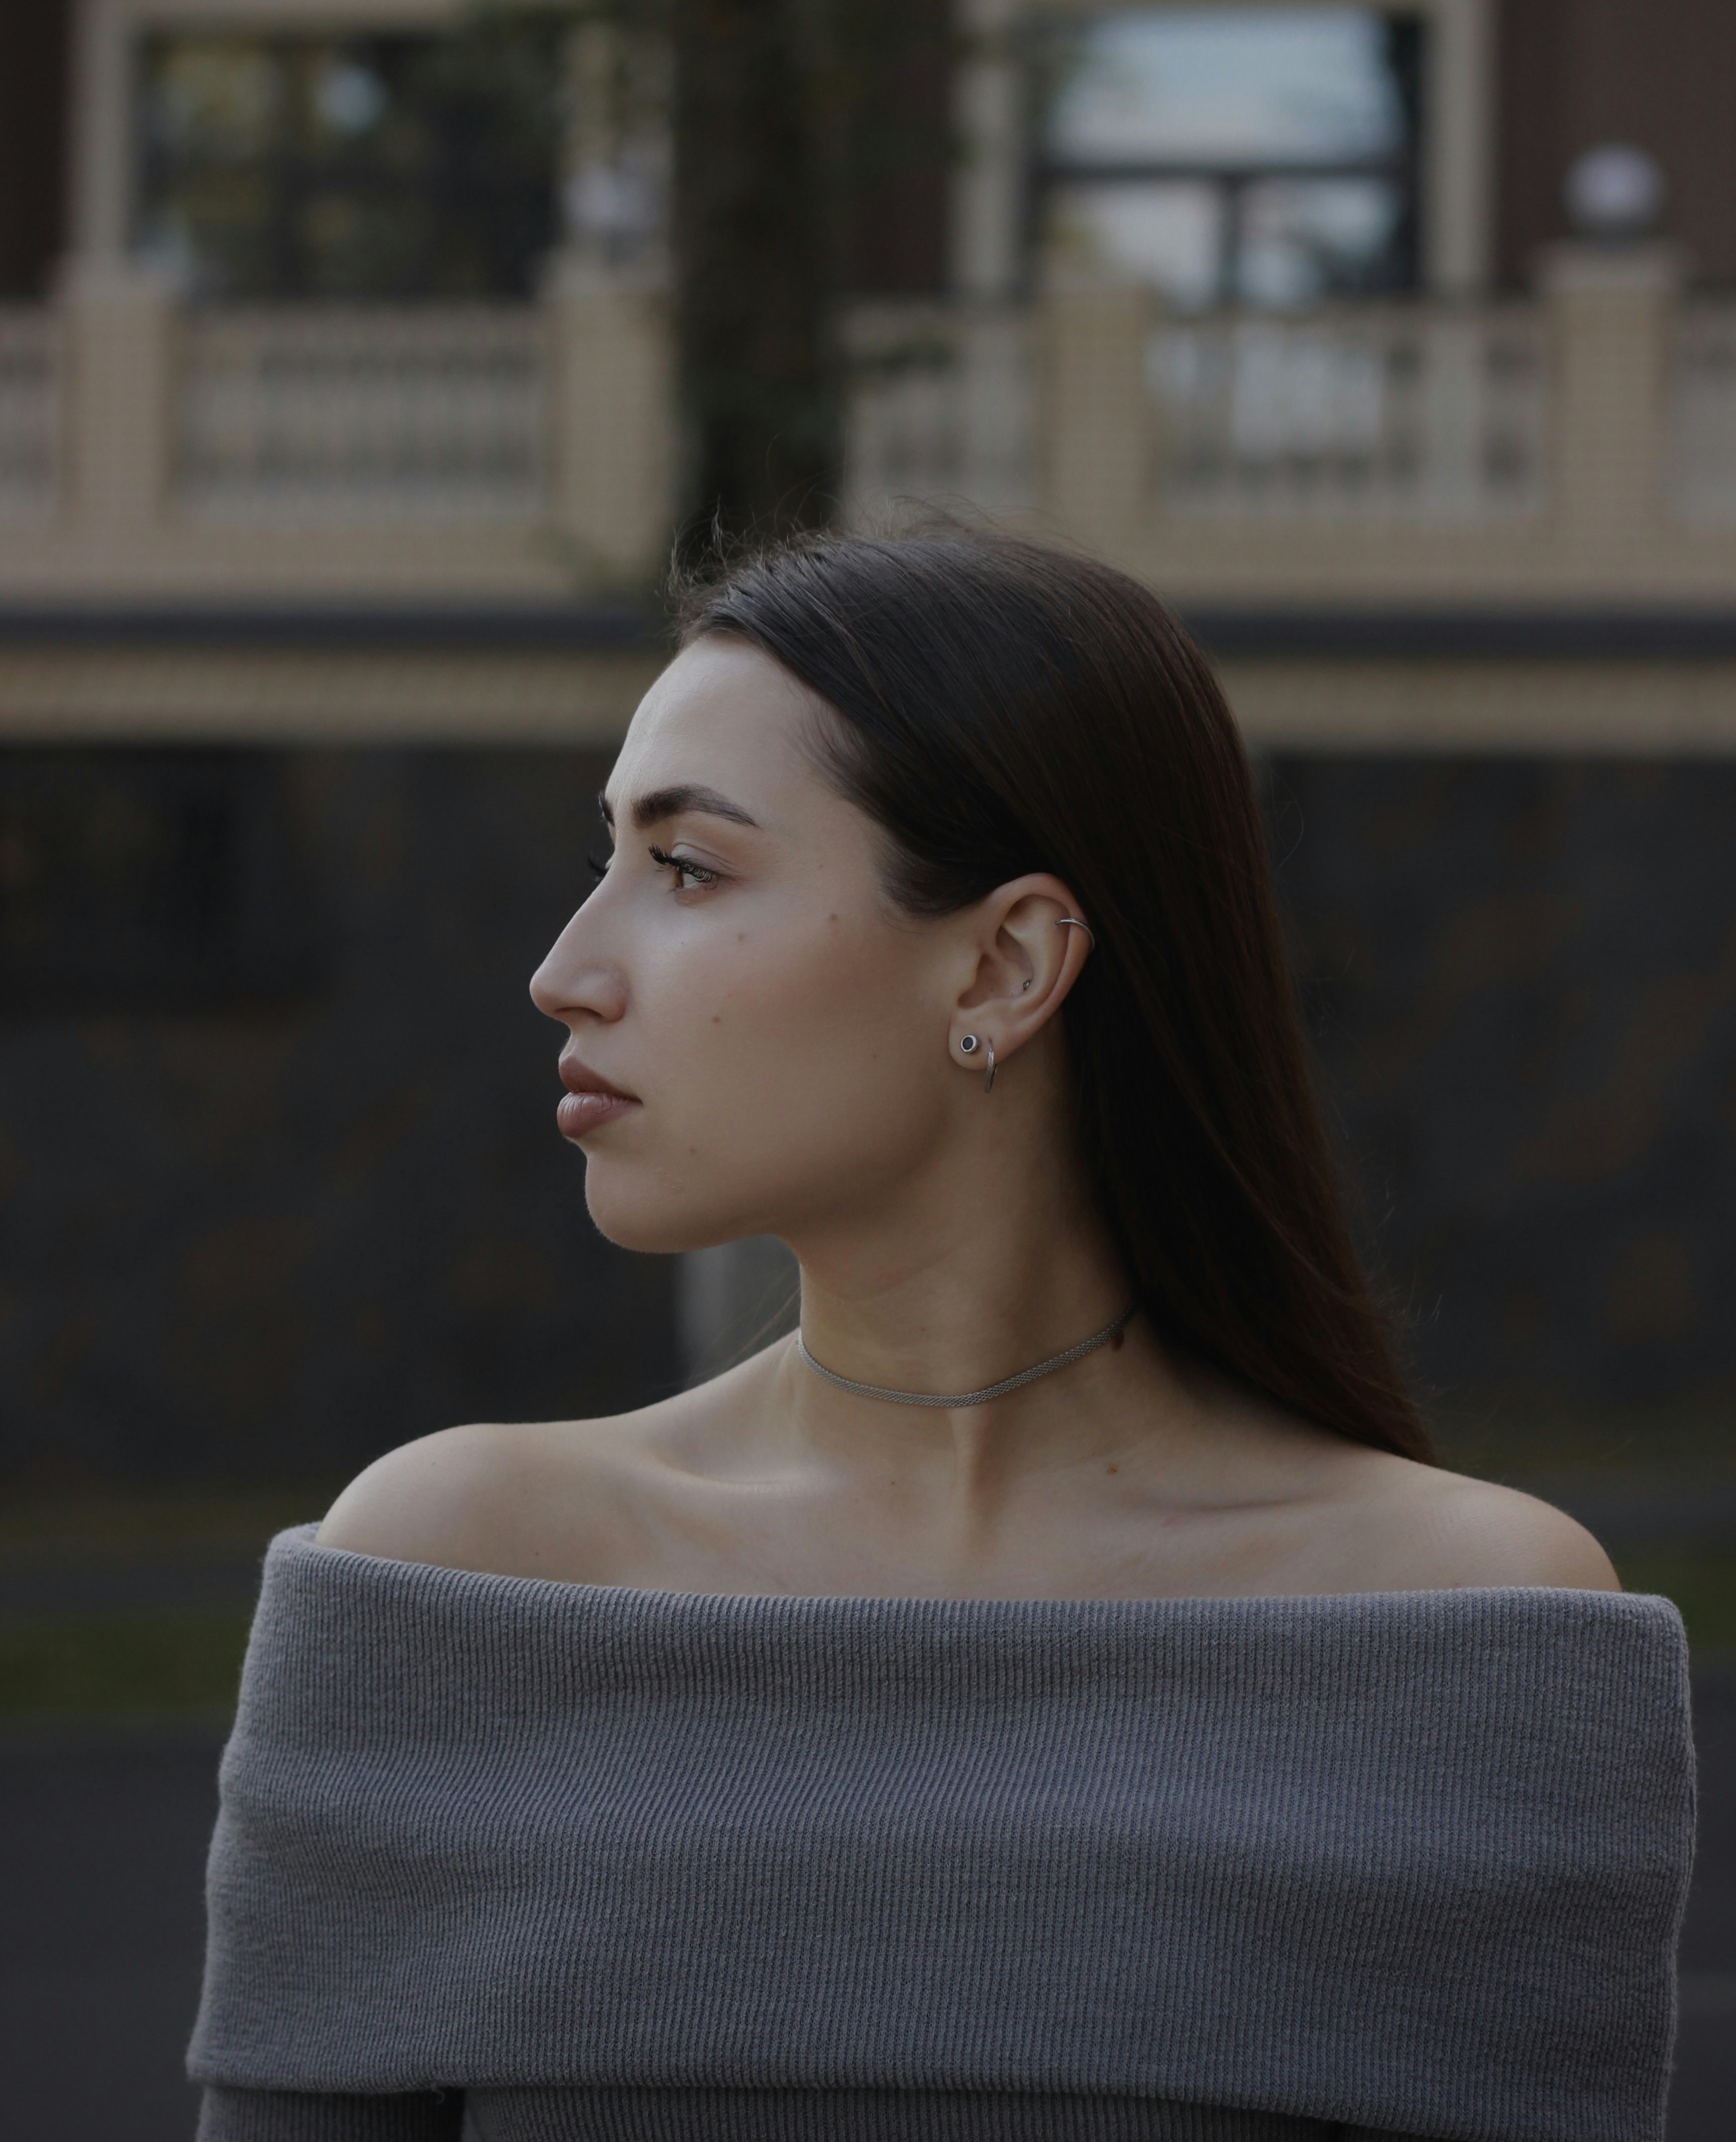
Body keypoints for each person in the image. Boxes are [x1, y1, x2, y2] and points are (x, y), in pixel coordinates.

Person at [190, 530, 1693, 2142]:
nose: (566, 973)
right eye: (602, 859)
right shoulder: (455, 1579)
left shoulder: (1465, 1638)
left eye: (685, 867)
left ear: (1003, 963)